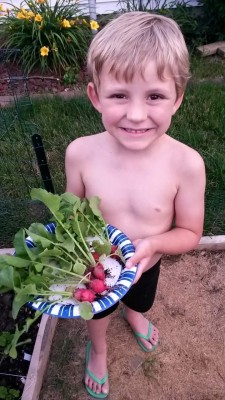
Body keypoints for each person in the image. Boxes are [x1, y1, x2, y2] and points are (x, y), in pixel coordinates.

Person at [65, 11, 205, 399]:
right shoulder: (80, 154)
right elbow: (70, 215)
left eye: (155, 96)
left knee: (140, 298)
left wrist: (156, 245)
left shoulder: (186, 164)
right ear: (95, 96)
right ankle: (100, 347)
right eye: (119, 95)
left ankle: (134, 313)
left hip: (148, 263)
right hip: (95, 268)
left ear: (177, 98)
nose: (137, 114)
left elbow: (191, 232)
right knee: (97, 313)